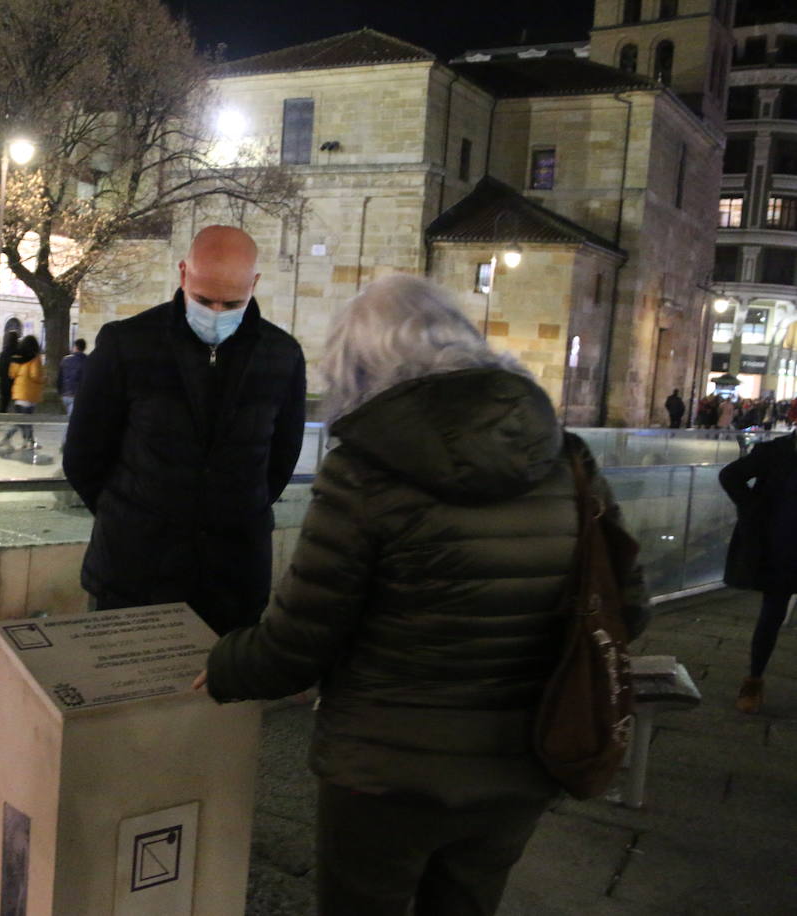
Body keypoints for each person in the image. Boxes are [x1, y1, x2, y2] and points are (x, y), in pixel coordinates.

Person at [197, 274, 648, 915]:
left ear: (357, 365)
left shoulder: (363, 473)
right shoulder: (567, 461)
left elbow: (298, 644)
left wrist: (221, 665)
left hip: (385, 774)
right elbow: (628, 609)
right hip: (519, 766)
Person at [63, 225, 307, 633]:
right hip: (133, 574)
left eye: (232, 302)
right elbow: (84, 455)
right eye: (203, 298)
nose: (215, 312)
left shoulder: (282, 355)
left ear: (255, 284)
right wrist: (130, 516)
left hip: (232, 580)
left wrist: (233, 513)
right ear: (182, 274)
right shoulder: (127, 344)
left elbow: (280, 460)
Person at [720, 429, 797, 714]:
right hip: (785, 545)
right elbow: (730, 476)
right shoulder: (774, 452)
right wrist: (754, 509)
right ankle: (754, 679)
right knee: (773, 611)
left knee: (773, 611)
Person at [0, 335, 44, 449]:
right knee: (25, 421)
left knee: (24, 420)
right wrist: (44, 379)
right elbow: (35, 375)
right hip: (29, 394)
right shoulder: (35, 358)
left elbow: (11, 374)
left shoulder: (16, 358)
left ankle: (28, 442)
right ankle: (9, 438)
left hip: (18, 393)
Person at [57, 338, 88, 416]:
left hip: (65, 393)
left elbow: (60, 377)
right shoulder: (87, 360)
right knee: (71, 418)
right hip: (77, 395)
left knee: (69, 417)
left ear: (75, 347)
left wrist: (60, 391)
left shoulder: (65, 359)